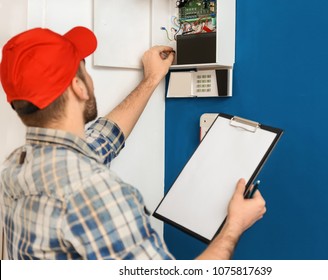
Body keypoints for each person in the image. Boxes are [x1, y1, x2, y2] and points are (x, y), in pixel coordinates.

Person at [0, 26, 266, 260]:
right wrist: (235, 225)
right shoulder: (96, 192)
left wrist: (151, 80)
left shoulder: (17, 167)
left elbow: (104, 137)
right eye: (83, 66)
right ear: (79, 87)